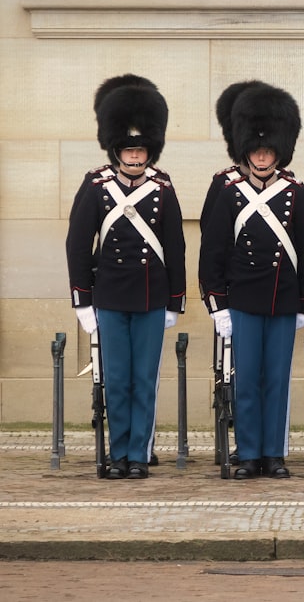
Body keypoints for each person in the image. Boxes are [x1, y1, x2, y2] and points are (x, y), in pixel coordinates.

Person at [66, 74, 185, 480]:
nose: (135, 155)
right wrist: (82, 300)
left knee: (143, 380)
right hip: (111, 299)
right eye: (129, 149)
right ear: (117, 149)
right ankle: (118, 454)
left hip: (151, 299)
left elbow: (175, 248)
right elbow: (78, 245)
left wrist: (174, 301)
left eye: (141, 149)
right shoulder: (97, 185)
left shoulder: (163, 188)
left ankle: (139, 454)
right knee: (116, 381)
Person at [199, 82, 304, 480]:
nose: (263, 155)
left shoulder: (295, 191)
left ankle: (274, 453)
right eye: (257, 149)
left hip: (282, 301)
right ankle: (248, 452)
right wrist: (218, 305)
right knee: (247, 381)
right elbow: (212, 250)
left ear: (279, 152)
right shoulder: (228, 191)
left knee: (277, 382)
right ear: (245, 151)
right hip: (244, 301)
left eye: (269, 150)